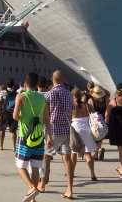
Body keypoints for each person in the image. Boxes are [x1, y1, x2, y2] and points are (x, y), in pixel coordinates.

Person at [13, 72, 49, 202]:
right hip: (39, 136)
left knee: (20, 165)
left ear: (26, 83)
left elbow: (15, 116)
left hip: (25, 136)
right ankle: (33, 199)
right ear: (37, 84)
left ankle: (31, 187)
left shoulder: (21, 96)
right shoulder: (42, 99)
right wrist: (49, 137)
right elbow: (47, 119)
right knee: (35, 167)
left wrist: (23, 116)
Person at [39, 70, 76, 199]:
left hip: (52, 131)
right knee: (67, 160)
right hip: (66, 130)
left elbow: (45, 115)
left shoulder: (48, 95)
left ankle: (42, 184)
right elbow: (72, 110)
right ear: (63, 80)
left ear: (52, 79)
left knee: (46, 158)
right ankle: (70, 189)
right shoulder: (69, 94)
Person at [70, 88, 98, 182]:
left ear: (74, 96)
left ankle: (72, 172)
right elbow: (92, 113)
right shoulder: (86, 105)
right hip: (86, 129)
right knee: (88, 153)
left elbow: (69, 117)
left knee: (73, 152)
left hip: (76, 129)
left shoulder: (72, 105)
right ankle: (93, 174)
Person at [0, 79, 18, 150]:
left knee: (2, 129)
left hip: (5, 113)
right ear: (13, 85)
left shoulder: (3, 92)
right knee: (13, 130)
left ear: (6, 85)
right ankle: (14, 147)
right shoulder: (16, 92)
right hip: (14, 113)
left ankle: (1, 145)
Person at [89, 85, 109, 161]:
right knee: (100, 137)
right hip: (103, 119)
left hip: (95, 120)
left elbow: (89, 109)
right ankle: (96, 154)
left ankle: (99, 150)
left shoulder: (91, 100)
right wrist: (102, 88)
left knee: (94, 137)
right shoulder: (104, 99)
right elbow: (108, 93)